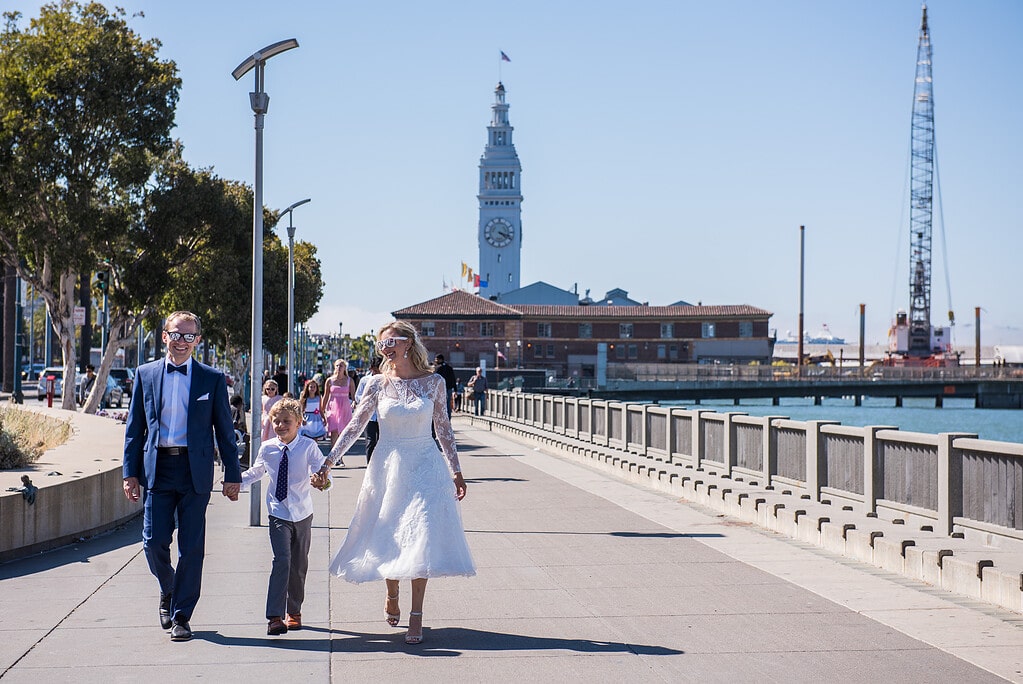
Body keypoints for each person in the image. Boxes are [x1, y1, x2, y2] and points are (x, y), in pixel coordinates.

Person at [312, 321, 474, 646]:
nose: (386, 349)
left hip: (426, 464)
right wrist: (327, 462)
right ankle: (391, 589)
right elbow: (355, 426)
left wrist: (456, 470)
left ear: (409, 343)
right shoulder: (374, 383)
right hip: (387, 464)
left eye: (393, 342)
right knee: (389, 533)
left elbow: (443, 429)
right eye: (382, 344)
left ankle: (417, 615)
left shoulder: (434, 383)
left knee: (421, 535)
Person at [122, 311, 241, 642]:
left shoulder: (211, 378)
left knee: (191, 548)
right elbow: (135, 429)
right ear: (164, 336)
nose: (181, 341)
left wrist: (233, 472)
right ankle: (169, 587)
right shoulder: (145, 375)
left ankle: (181, 615)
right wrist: (129, 472)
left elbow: (224, 430)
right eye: (176, 334)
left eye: (189, 336)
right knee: (153, 541)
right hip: (158, 469)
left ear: (197, 341)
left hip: (195, 472)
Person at [241, 398, 330, 636]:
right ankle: (274, 616)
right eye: (276, 421)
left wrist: (322, 481)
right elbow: (257, 471)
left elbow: (321, 471)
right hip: (278, 512)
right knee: (282, 561)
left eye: (286, 421)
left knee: (299, 565)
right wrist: (235, 484)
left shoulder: (308, 446)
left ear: (299, 423)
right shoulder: (268, 448)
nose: (280, 426)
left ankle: (294, 611)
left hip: (302, 513)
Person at [322, 358, 355, 457]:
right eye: (337, 365)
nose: (339, 367)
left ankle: (340, 455)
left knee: (343, 433)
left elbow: (353, 397)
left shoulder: (350, 381)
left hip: (345, 408)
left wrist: (353, 403)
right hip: (333, 409)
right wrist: (321, 411)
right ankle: (334, 456)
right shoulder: (329, 381)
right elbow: (325, 396)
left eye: (341, 365)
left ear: (345, 368)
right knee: (334, 432)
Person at [352, 355, 382, 462]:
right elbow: (357, 396)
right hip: (369, 416)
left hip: (383, 416)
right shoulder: (365, 380)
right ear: (372, 369)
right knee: (371, 441)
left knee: (382, 442)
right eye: (376, 369)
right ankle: (370, 465)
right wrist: (368, 400)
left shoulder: (386, 379)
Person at [230, 394, 250, 467]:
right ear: (239, 404)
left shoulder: (228, 408)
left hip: (225, 433)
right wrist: (240, 425)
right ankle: (244, 460)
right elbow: (233, 424)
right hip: (233, 434)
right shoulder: (236, 410)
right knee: (249, 439)